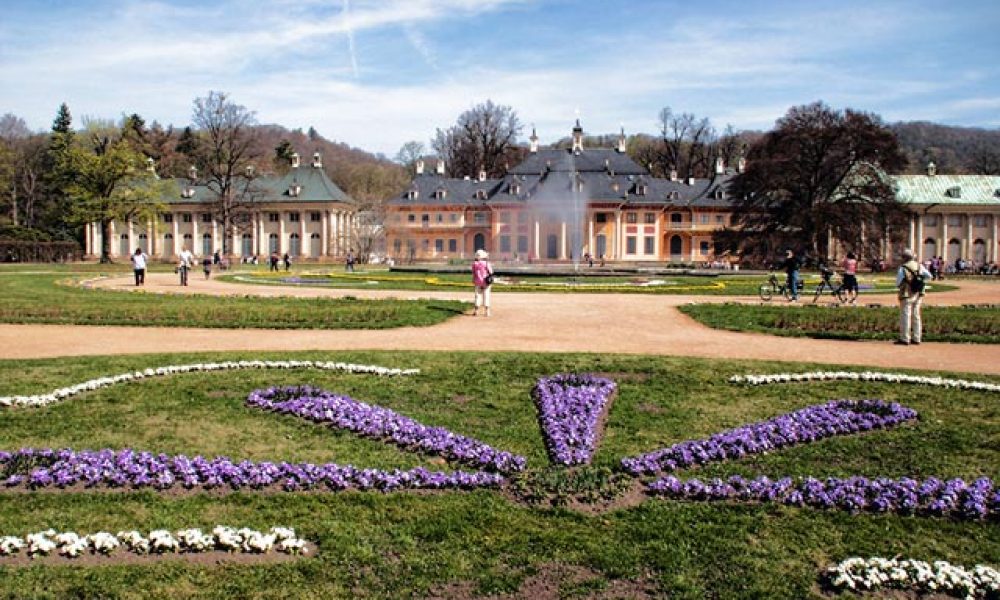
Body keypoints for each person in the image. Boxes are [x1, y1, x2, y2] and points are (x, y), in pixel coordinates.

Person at [895, 248, 932, 346]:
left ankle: (905, 338)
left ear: (904, 258)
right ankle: (917, 337)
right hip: (918, 293)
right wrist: (920, 279)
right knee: (916, 315)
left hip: (907, 293)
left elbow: (898, 282)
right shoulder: (920, 266)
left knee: (906, 315)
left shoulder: (903, 268)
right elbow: (929, 276)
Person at [471, 249, 494, 317]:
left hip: (477, 281)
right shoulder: (486, 263)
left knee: (477, 296)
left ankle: (476, 311)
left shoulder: (474, 264)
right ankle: (487, 311)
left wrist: (474, 279)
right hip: (486, 282)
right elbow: (491, 272)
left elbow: (473, 273)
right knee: (486, 295)